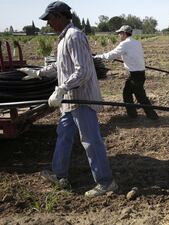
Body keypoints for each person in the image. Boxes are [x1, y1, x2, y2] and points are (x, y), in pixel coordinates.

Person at [18, 1, 117, 197]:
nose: (47, 23)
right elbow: (61, 67)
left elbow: (84, 71)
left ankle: (106, 182)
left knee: (90, 140)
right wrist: (38, 73)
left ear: (60, 16)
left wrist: (62, 88)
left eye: (49, 19)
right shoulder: (63, 39)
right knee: (63, 135)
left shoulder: (74, 36)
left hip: (81, 99)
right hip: (69, 101)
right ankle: (59, 175)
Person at [94, 25, 159, 120]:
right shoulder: (136, 42)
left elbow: (111, 55)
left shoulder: (125, 43)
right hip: (139, 73)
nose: (119, 35)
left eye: (120, 33)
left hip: (135, 74)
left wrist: (98, 56)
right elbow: (130, 55)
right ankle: (133, 115)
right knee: (127, 94)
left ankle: (153, 117)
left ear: (124, 33)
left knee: (141, 97)